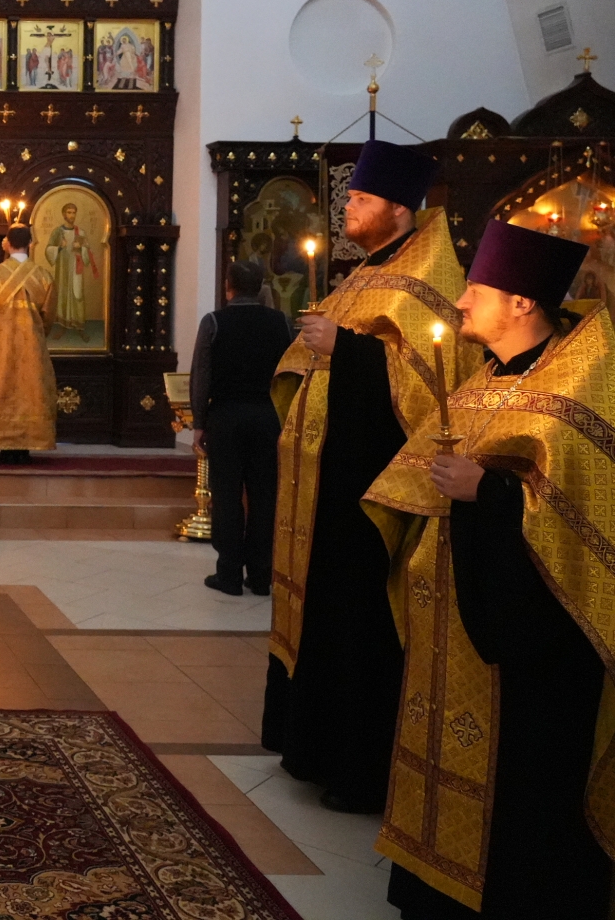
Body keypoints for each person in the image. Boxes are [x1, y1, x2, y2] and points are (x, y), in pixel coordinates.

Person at [362, 221, 610, 918]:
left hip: (526, 647)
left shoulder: (572, 395)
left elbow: (577, 519)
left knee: (521, 785)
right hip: (449, 621)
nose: (462, 300)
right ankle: (430, 886)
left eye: (477, 289)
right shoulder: (484, 380)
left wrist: (489, 492)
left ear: (522, 302)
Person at [263, 139, 470, 814]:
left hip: (374, 487)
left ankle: (358, 768)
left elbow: (431, 387)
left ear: (400, 208)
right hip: (328, 484)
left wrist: (344, 350)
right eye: (348, 197)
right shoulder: (363, 275)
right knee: (326, 615)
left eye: (360, 198)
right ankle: (313, 748)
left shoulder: (427, 279)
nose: (347, 208)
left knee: (362, 625)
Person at [189, 260, 294, 595]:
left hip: (226, 418)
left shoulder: (214, 322)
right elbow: (291, 373)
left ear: (228, 286)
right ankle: (261, 575)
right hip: (268, 418)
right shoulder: (281, 322)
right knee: (265, 496)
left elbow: (201, 375)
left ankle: (229, 574)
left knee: (226, 495)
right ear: (260, 286)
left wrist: (198, 423)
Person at [0, 225, 57, 465]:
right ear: (30, 244)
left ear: (7, 244)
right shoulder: (43, 275)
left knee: (1, 387)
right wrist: (37, 332)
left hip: (2, 343)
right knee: (31, 388)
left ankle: (4, 445)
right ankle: (27, 445)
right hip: (33, 344)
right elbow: (49, 315)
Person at [45, 202, 100, 338]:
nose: (72, 215)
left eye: (74, 212)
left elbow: (88, 252)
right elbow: (48, 249)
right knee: (63, 294)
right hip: (63, 269)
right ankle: (63, 326)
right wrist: (59, 247)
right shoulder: (58, 232)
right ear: (64, 214)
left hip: (76, 269)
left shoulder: (80, 232)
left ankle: (79, 326)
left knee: (77, 294)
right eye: (69, 212)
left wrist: (81, 248)